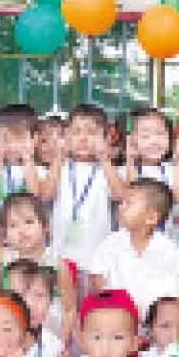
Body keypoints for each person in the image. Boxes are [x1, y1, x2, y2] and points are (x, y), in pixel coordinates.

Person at [89, 179, 179, 317]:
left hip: (154, 321)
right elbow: (97, 278)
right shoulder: (111, 244)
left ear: (151, 218)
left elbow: (172, 293)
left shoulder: (168, 251)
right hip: (118, 318)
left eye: (129, 203)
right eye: (122, 202)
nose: (121, 207)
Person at [0, 192, 76, 339]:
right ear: (5, 234)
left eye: (29, 222)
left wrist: (62, 342)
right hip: (12, 328)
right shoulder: (3, 262)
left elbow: (70, 309)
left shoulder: (57, 265)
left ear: (46, 226)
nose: (22, 231)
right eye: (13, 225)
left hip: (48, 332)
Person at [49, 103, 121, 278]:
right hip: (60, 256)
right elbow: (47, 194)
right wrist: (58, 157)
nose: (83, 138)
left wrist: (105, 159)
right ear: (66, 136)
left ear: (106, 138)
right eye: (76, 132)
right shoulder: (61, 167)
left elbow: (120, 195)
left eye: (91, 132)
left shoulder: (108, 170)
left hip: (96, 257)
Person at [0, 104, 49, 242]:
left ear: (34, 139)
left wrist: (28, 160)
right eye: (6, 140)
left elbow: (34, 194)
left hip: (28, 238)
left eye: (19, 139)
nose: (13, 146)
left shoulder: (39, 170)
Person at [124, 108, 179, 220]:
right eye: (145, 136)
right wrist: (130, 160)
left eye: (160, 134)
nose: (154, 142)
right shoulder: (124, 170)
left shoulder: (174, 170)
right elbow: (132, 194)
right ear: (132, 140)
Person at [8, 258, 65, 357]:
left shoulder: (54, 347)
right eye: (20, 296)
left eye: (39, 295)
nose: (30, 304)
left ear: (50, 301)